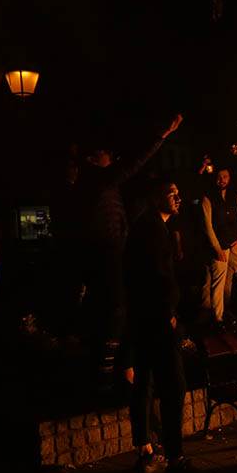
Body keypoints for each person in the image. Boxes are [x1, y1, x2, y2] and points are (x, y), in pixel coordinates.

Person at [123, 179, 205, 473]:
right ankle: (175, 458)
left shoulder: (150, 228)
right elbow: (159, 277)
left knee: (145, 381)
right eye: (172, 193)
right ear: (157, 196)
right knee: (173, 384)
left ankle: (146, 447)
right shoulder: (153, 230)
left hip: (144, 319)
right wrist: (169, 314)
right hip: (156, 320)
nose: (179, 198)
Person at [80, 114, 182, 359]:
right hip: (106, 254)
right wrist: (160, 137)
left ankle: (116, 364)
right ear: (93, 159)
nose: (112, 157)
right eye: (106, 153)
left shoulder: (107, 186)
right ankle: (108, 371)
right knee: (115, 311)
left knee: (116, 310)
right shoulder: (96, 180)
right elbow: (130, 164)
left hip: (113, 253)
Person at [201, 167, 237, 327]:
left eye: (225, 176)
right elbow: (208, 226)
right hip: (220, 245)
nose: (222, 179)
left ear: (229, 178)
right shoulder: (208, 198)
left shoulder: (236, 194)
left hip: (235, 243)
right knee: (219, 283)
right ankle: (218, 318)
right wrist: (217, 248)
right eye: (219, 177)